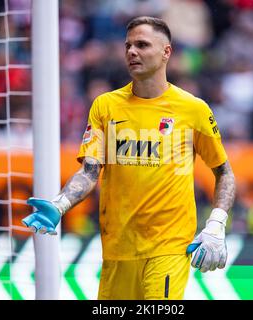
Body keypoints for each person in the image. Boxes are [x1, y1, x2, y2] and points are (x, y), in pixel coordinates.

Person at [22, 16, 236, 300]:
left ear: (166, 52)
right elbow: (89, 172)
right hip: (117, 248)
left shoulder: (193, 109)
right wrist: (60, 204)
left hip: (168, 245)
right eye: (128, 46)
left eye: (142, 45)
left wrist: (216, 224)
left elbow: (224, 172)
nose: (132, 51)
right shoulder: (106, 105)